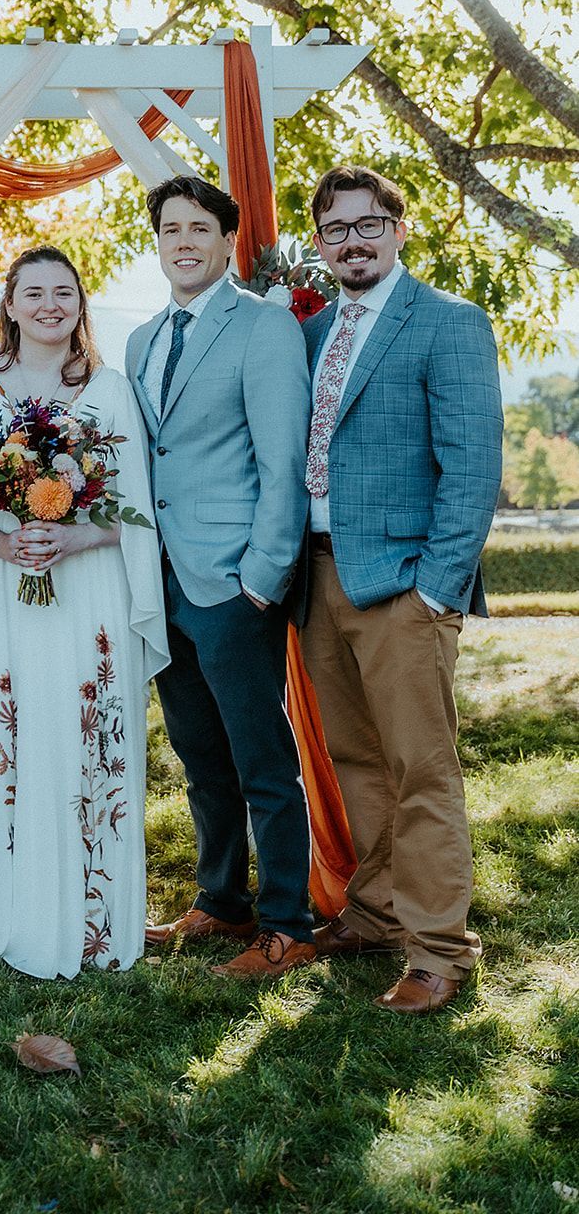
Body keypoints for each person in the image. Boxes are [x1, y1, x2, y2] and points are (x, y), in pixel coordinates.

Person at [0, 247, 166, 979]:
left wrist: (75, 536)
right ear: (10, 306)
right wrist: (9, 543)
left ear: (80, 306)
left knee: (80, 731)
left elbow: (134, 503)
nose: (50, 305)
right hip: (0, 586)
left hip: (90, 585)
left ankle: (88, 915)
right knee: (10, 728)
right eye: (34, 293)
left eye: (64, 293)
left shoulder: (109, 389)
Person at [300, 165, 502, 1014]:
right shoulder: (312, 332)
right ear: (319, 243)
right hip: (317, 577)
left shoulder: (448, 321)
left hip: (402, 585)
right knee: (356, 762)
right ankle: (377, 912)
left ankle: (438, 951)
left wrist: (436, 590)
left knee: (420, 769)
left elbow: (472, 467)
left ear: (397, 228)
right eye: (335, 229)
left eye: (366, 224)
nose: (351, 241)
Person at [126, 174, 316, 979]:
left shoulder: (263, 327)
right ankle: (221, 899)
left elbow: (283, 460)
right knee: (200, 756)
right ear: (156, 241)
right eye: (170, 228)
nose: (184, 242)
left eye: (199, 228)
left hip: (234, 581)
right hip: (161, 581)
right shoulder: (141, 340)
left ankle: (288, 925)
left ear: (226, 240)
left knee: (261, 762)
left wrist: (261, 577)